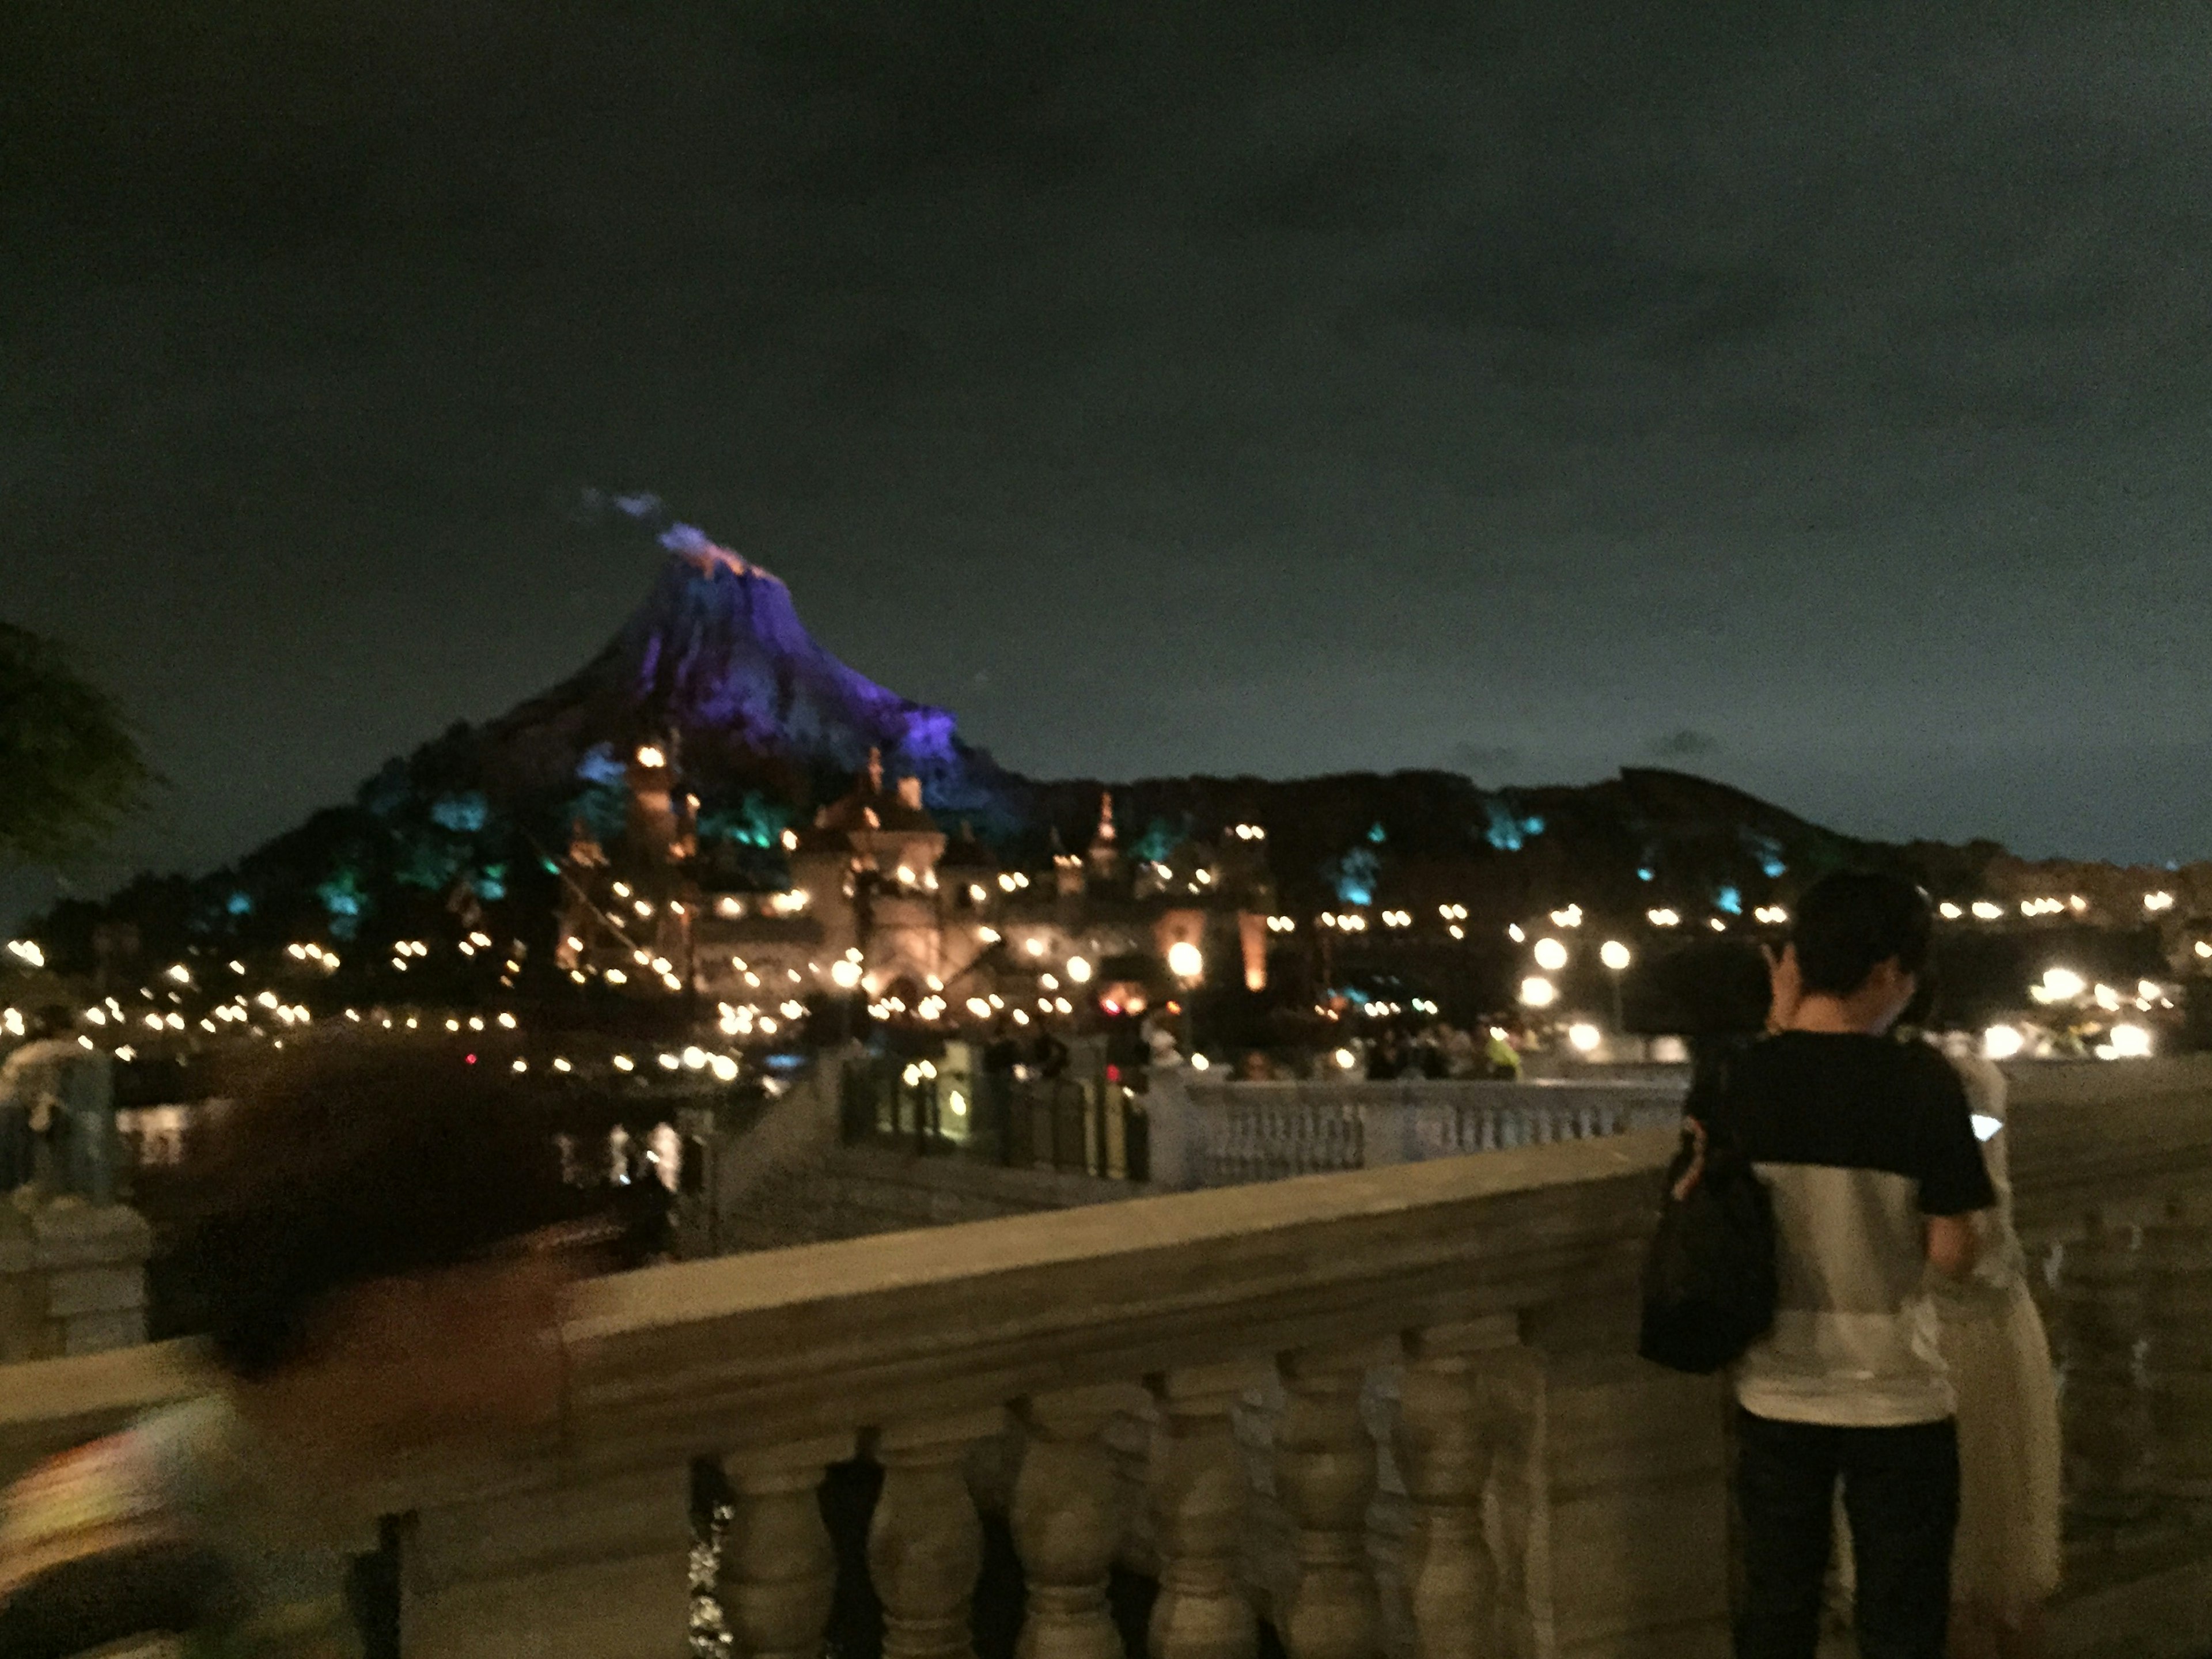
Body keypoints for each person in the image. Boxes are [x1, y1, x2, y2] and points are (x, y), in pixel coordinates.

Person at [0, 1041, 624, 1658]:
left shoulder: (281, 1525)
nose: (565, 1286)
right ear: (391, 1310)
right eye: (524, 1253)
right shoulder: (118, 1580)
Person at [1720, 872, 1996, 1659]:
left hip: (1775, 1386)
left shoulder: (1738, 1077)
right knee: (1901, 1619)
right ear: (1886, 972)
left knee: (1778, 1610)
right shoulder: (1924, 1086)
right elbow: (1952, 1257)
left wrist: (1779, 1023)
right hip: (1895, 1393)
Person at [1931, 1035, 2060, 1659]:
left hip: (1947, 1340)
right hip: (1999, 1328)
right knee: (2006, 1561)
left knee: (1951, 1568)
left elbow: (1959, 1253)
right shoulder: (1975, 1081)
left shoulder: (1945, 1086)